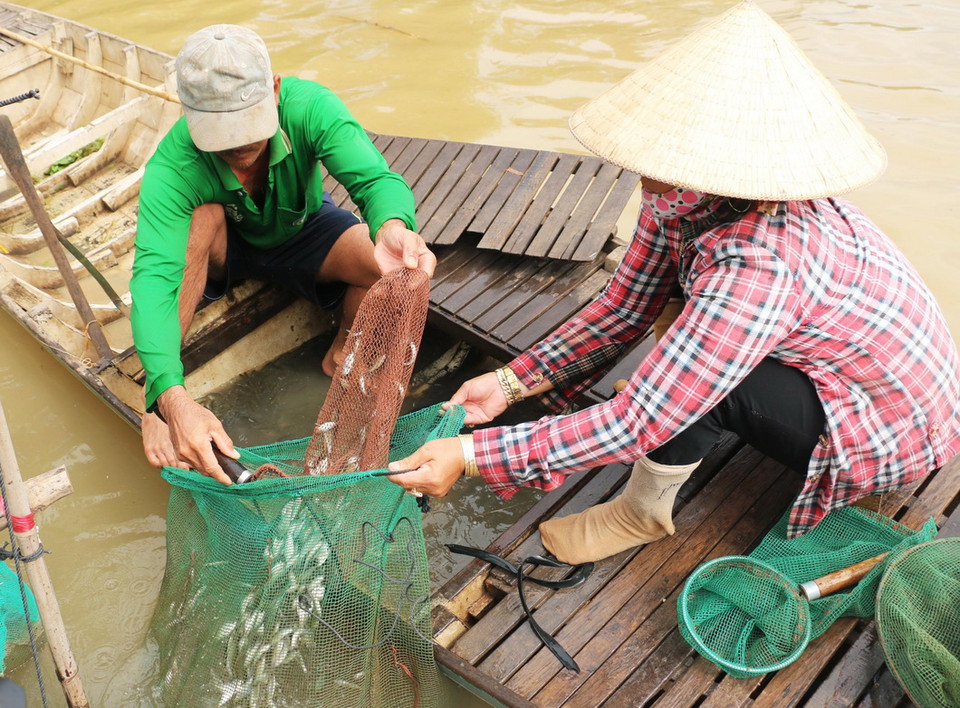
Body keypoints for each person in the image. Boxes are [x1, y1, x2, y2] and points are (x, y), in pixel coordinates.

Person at [386, 0, 960, 564]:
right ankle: (680, 399)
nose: (642, 169)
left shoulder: (762, 262)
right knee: (678, 340)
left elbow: (642, 419)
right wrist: (514, 382)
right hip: (838, 362)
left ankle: (642, 510)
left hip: (889, 423)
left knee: (700, 390)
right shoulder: (684, 195)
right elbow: (623, 306)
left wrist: (470, 453)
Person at [131, 24, 436, 483]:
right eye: (221, 132)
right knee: (198, 223)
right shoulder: (173, 165)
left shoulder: (310, 107)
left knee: (387, 268)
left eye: (248, 125)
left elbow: (376, 181)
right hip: (222, 243)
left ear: (274, 90)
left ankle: (340, 354)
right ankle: (153, 400)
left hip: (302, 228)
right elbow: (153, 280)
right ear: (190, 116)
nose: (238, 145)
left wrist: (393, 226)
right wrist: (170, 400)